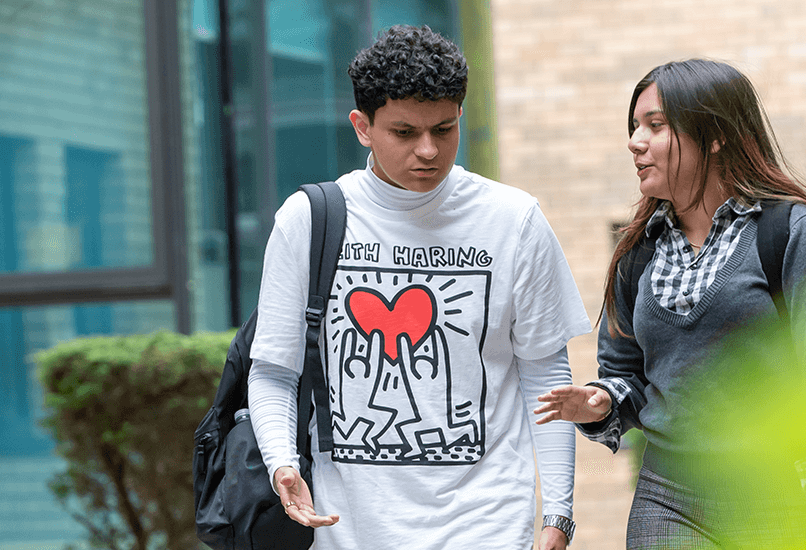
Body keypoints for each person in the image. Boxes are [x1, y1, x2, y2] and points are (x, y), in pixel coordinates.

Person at [245, 25, 589, 550]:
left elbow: (546, 372)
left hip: (487, 524)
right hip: (350, 530)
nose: (428, 151)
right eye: (404, 133)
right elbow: (273, 369)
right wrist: (282, 466)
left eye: (445, 129)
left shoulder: (512, 220)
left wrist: (559, 515)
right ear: (362, 127)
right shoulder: (308, 221)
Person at [535, 59, 806, 549]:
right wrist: (601, 400)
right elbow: (627, 373)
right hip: (666, 494)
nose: (635, 141)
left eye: (655, 125)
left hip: (777, 491)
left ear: (713, 136)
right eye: (634, 127)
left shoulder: (790, 231)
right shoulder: (638, 252)